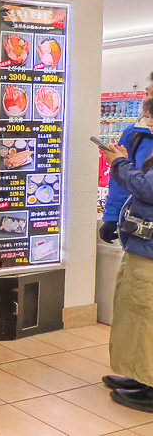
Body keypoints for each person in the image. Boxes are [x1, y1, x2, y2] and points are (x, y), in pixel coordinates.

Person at [100, 95, 153, 412]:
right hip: (141, 245)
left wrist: (119, 163)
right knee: (135, 313)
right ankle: (141, 376)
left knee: (146, 315)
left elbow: (148, 189)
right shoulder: (138, 136)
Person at [101, 73, 153, 245]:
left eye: (151, 95)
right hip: (141, 236)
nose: (145, 101)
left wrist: (119, 164)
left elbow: (148, 188)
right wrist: (112, 216)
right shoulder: (135, 133)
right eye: (146, 94)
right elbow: (120, 183)